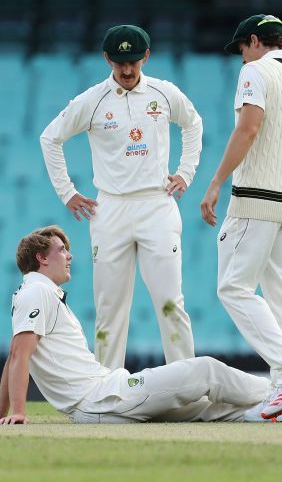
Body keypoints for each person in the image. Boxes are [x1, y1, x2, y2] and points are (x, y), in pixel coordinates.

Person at [0, 226, 282, 425]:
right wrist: (17, 412)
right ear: (41, 258)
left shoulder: (34, 293)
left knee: (211, 409)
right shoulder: (37, 291)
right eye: (60, 250)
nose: (69, 256)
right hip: (102, 398)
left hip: (101, 398)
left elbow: (12, 358)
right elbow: (19, 356)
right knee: (205, 370)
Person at [40, 25, 202, 370]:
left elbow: (193, 123)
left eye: (132, 62)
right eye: (119, 63)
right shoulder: (93, 100)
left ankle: (187, 385)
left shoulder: (163, 92)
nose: (127, 71)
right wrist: (67, 192)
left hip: (157, 205)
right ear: (106, 59)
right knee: (110, 308)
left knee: (170, 303)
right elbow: (50, 138)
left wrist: (185, 172)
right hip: (110, 208)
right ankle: (105, 392)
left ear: (145, 56)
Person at [199, 14, 282, 419]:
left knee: (233, 288)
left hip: (256, 199)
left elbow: (249, 128)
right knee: (280, 295)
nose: (241, 58)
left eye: (241, 49)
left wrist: (217, 181)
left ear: (255, 41)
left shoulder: (256, 71)